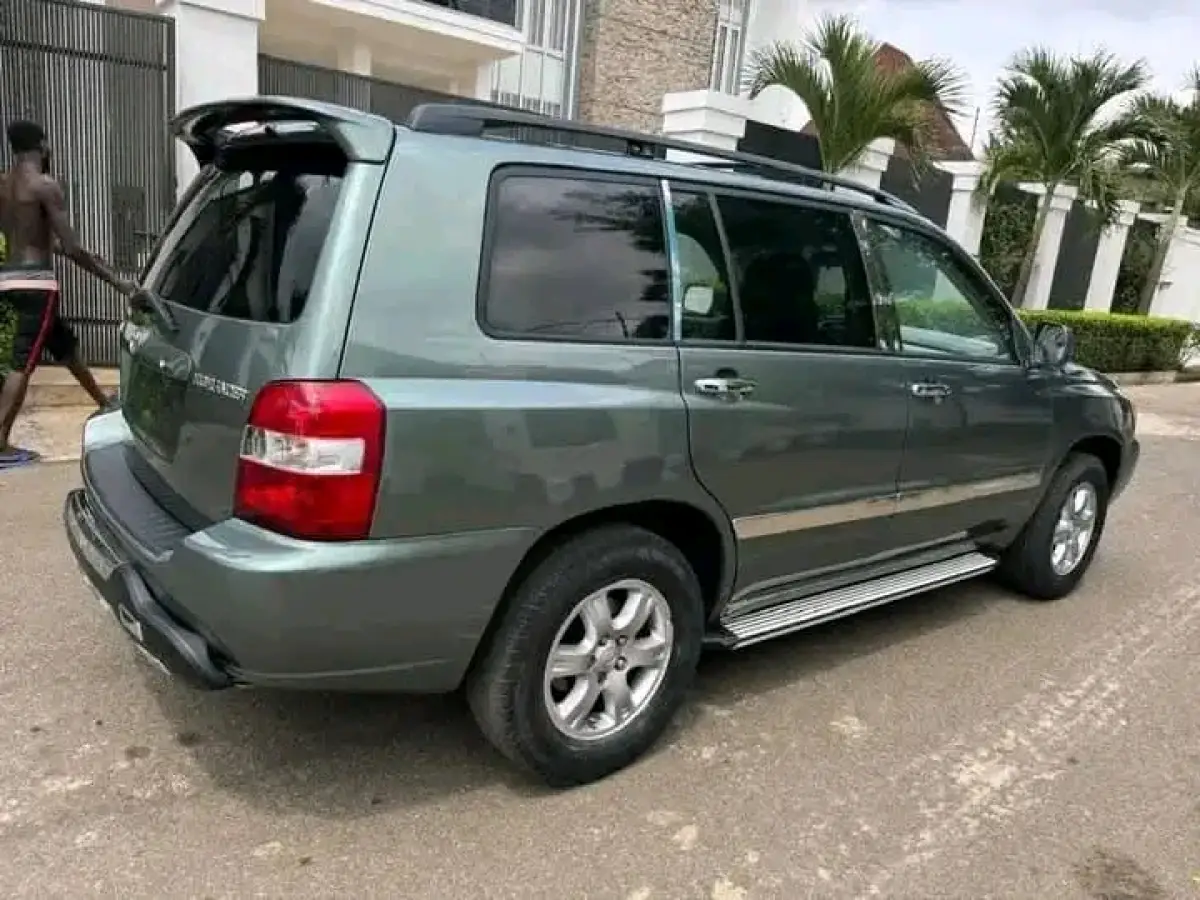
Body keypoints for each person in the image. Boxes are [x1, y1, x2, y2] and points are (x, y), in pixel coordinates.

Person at [0, 120, 135, 468]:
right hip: (37, 285)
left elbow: (29, 236)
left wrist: (56, 248)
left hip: (10, 280)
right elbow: (72, 247)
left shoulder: (4, 184)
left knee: (64, 345)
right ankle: (0, 442)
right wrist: (118, 282)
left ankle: (103, 403)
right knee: (23, 362)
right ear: (42, 145)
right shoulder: (45, 186)